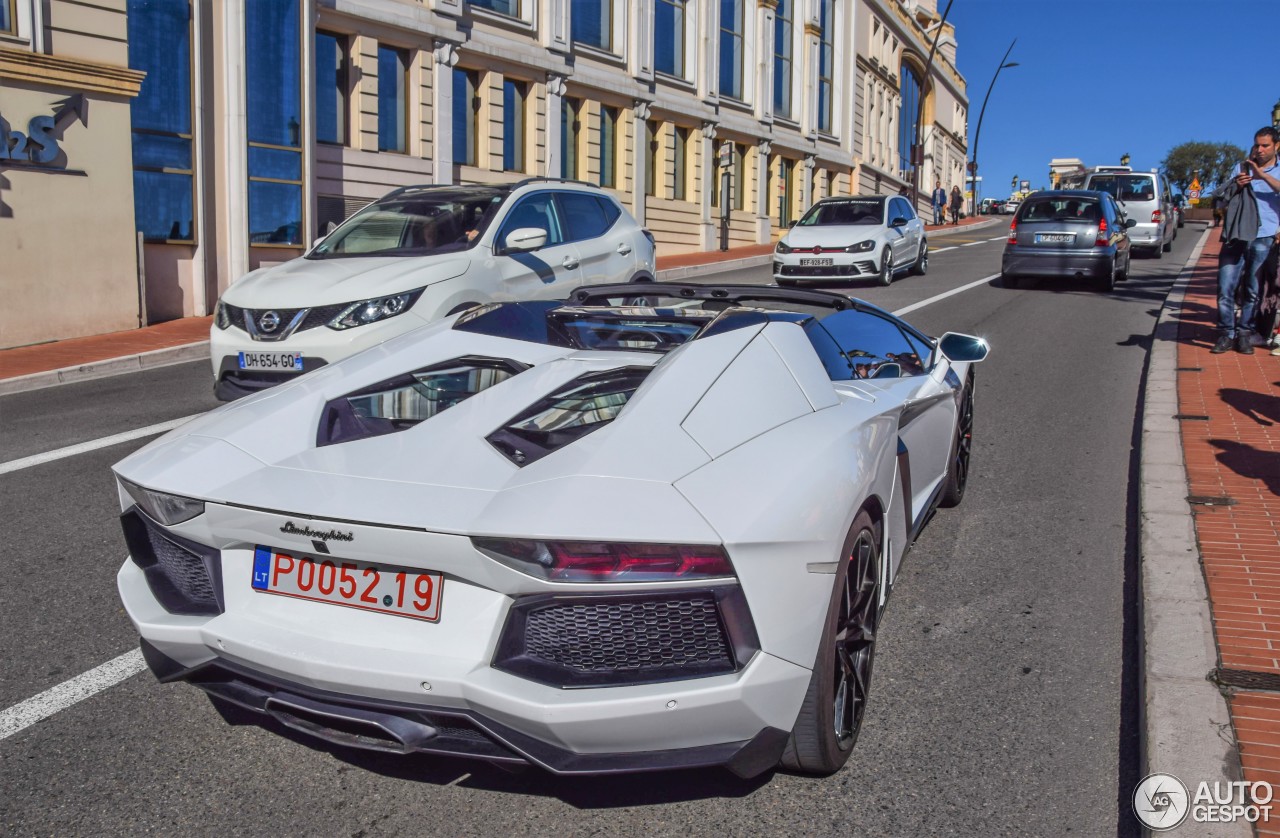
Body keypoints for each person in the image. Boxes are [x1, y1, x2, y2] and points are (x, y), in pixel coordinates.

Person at [1212, 126, 1280, 355]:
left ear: (1276, 146)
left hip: (1264, 236)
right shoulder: (1241, 167)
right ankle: (1226, 334)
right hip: (1237, 235)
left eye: (1265, 145)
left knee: (1253, 289)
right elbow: (1221, 197)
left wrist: (1263, 177)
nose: (1259, 150)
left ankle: (1244, 334)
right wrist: (1237, 184)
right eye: (1257, 145)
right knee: (1225, 287)